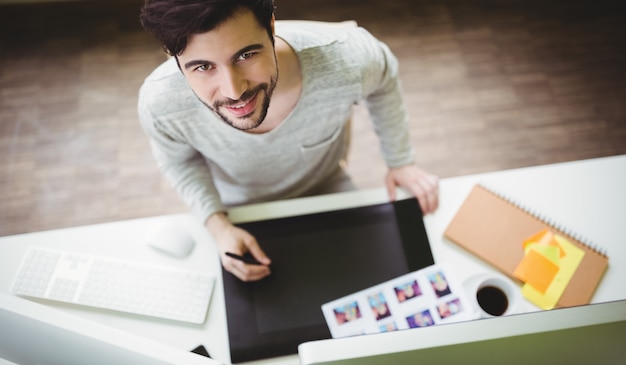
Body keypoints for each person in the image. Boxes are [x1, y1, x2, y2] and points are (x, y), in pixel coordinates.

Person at [138, 0, 439, 282]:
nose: (233, 91)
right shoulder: (162, 104)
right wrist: (218, 226)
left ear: (271, 25)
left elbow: (385, 79)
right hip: (236, 208)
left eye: (246, 55)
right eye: (203, 67)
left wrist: (401, 161)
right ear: (171, 54)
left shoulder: (349, 59)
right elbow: (179, 162)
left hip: (325, 188)